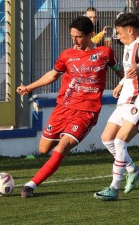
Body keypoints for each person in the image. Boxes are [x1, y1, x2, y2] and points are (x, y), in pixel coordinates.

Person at [17, 16, 123, 198]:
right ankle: (59, 150)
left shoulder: (106, 53)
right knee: (43, 148)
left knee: (63, 145)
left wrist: (125, 85)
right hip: (63, 108)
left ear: (90, 35)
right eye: (72, 37)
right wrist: (29, 87)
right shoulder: (67, 55)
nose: (74, 41)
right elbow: (53, 75)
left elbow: (121, 71)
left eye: (79, 37)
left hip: (86, 111)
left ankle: (30, 185)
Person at [94, 12, 139, 201]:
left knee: (120, 141)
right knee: (107, 138)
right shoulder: (127, 46)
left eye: (119, 32)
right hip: (126, 99)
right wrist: (120, 83)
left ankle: (113, 188)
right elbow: (129, 71)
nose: (117, 35)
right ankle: (133, 169)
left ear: (130, 30)